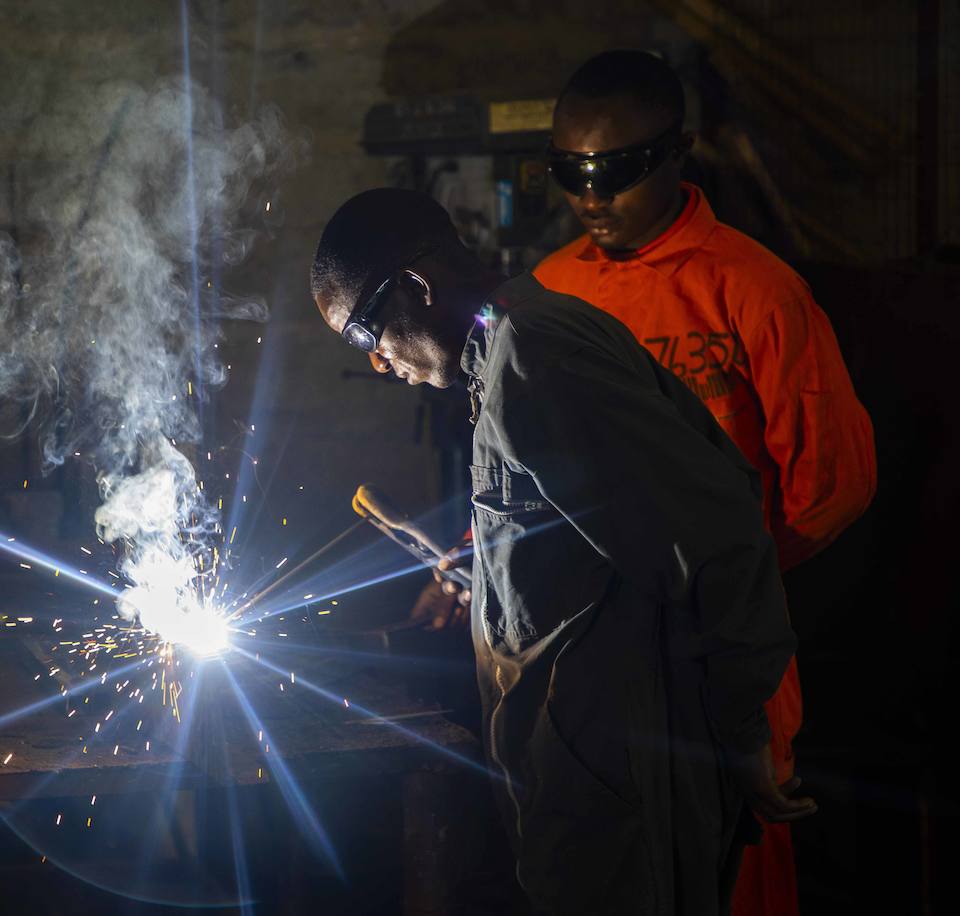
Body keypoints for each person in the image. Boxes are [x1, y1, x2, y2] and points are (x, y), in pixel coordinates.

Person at [311, 187, 814, 915]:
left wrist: (743, 738)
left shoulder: (538, 360)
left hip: (627, 796)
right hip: (580, 792)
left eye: (366, 336)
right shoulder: (502, 357)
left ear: (416, 288)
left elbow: (718, 544)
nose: (381, 366)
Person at [524, 49, 875, 916]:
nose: (592, 196)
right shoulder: (548, 294)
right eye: (572, 172)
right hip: (593, 662)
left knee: (733, 877)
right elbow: (521, 464)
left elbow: (830, 486)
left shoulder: (754, 293)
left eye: (616, 171)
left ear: (679, 154)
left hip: (722, 658)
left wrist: (718, 587)